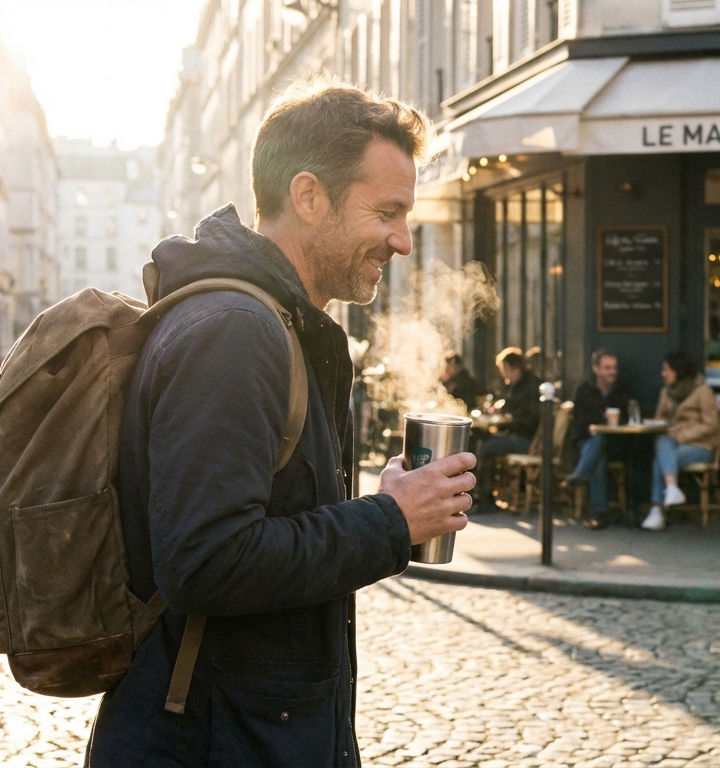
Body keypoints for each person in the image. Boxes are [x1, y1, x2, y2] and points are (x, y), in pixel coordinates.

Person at [87, 80, 475, 767]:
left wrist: (386, 509)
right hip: (211, 742)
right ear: (308, 196)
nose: (402, 241)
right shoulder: (237, 332)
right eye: (387, 212)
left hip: (245, 734)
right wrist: (389, 522)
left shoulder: (281, 326)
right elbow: (208, 561)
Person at [642, 352, 720, 532]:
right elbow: (660, 417)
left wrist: (680, 435)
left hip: (700, 446)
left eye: (666, 370)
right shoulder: (666, 392)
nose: (663, 374)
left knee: (660, 461)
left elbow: (711, 425)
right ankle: (671, 489)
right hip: (672, 444)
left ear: (679, 371)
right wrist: (659, 423)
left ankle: (657, 511)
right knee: (663, 444)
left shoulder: (703, 391)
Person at [566, 349, 634, 528]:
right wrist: (599, 422)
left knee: (600, 445)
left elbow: (631, 415)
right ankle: (598, 513)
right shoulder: (584, 390)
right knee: (598, 453)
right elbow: (579, 423)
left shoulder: (623, 388)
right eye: (607, 368)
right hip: (586, 443)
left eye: (614, 368)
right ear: (596, 369)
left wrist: (612, 419)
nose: (612, 372)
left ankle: (580, 475)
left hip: (617, 443)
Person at [473, 348, 540, 510]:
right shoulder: (519, 385)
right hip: (519, 435)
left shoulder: (529, 387)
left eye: (504, 371)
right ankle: (477, 494)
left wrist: (507, 421)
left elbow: (529, 420)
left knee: (485, 448)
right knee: (477, 437)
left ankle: (484, 498)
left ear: (513, 368)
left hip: (527, 441)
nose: (504, 376)